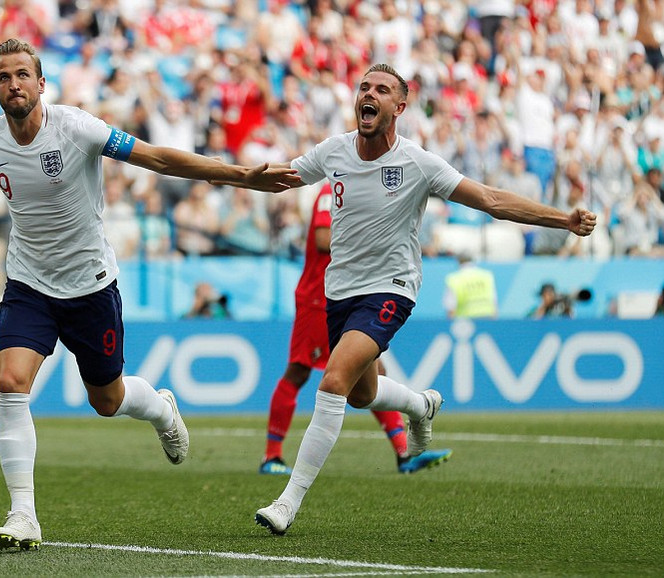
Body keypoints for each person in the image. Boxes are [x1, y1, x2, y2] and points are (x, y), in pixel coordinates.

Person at [0, 39, 301, 551]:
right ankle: (23, 514)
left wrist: (240, 176)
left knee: (106, 400)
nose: (14, 83)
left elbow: (158, 159)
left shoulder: (76, 127)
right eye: (4, 77)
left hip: (90, 285)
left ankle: (159, 408)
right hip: (29, 284)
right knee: (10, 380)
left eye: (23, 74)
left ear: (41, 84)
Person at [253, 64, 597, 536]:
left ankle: (287, 502)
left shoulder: (417, 163)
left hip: (391, 288)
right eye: (364, 87)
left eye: (382, 89)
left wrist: (564, 220)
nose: (369, 94)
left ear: (400, 106)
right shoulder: (332, 152)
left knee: (332, 382)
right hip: (339, 293)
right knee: (362, 394)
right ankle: (420, 405)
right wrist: (223, 174)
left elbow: (492, 200)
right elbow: (283, 176)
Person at [261, 184, 452, 477]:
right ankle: (271, 457)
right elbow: (323, 239)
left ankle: (404, 454)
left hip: (349, 297)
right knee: (299, 371)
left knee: (376, 373)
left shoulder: (363, 189)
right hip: (318, 298)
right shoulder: (332, 190)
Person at [443, 254, 498, 319]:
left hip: (466, 321)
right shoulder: (486, 275)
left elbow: (450, 306)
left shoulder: (454, 278)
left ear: (458, 262)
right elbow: (493, 299)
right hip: (487, 318)